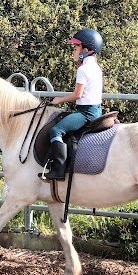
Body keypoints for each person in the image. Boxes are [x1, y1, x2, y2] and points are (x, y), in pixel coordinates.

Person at [39, 28, 104, 181]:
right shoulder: (96, 68)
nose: (73, 52)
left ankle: (58, 170)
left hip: (86, 113)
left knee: (56, 130)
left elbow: (77, 95)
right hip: (96, 110)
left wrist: (58, 100)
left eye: (75, 48)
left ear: (85, 50)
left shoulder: (83, 69)